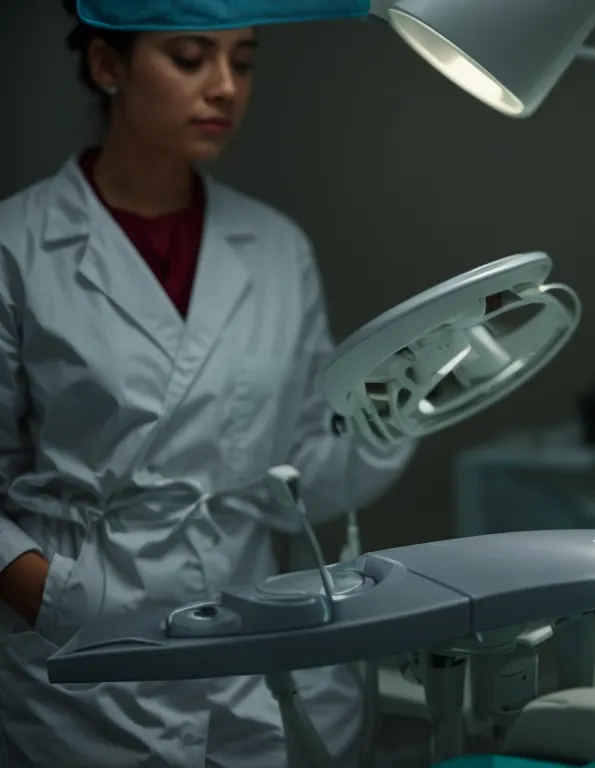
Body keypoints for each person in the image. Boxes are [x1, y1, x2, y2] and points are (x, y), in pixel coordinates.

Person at [0, 5, 415, 766]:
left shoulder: (277, 247)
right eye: (191, 58)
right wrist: (47, 595)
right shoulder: (17, 247)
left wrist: (404, 398)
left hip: (251, 639)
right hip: (85, 651)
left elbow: (307, 478)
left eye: (243, 61)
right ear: (106, 66)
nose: (225, 87)